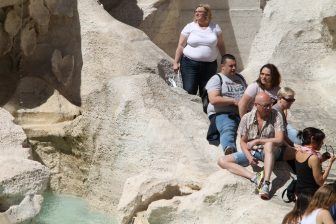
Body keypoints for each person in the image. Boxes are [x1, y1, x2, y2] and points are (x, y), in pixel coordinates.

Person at [218, 92, 296, 200]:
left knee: (268, 145)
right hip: (255, 152)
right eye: (265, 105)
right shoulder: (247, 118)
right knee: (222, 161)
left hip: (273, 151)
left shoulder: (276, 115)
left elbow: (279, 139)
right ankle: (255, 178)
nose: (269, 107)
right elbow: (243, 141)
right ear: (256, 105)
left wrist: (259, 141)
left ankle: (266, 183)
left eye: (270, 104)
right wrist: (249, 158)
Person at [173, 4, 225, 96]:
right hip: (189, 64)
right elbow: (180, 45)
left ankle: (204, 110)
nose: (197, 13)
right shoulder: (190, 26)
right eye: (196, 12)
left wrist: (224, 61)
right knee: (189, 90)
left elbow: (220, 45)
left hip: (209, 65)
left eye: (200, 12)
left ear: (207, 14)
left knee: (206, 92)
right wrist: (176, 62)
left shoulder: (215, 27)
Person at [205, 54, 247, 154]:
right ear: (222, 66)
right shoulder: (216, 79)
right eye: (231, 66)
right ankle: (229, 149)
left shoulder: (240, 78)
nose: (234, 68)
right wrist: (233, 101)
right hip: (223, 113)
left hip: (241, 112)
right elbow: (213, 99)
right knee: (228, 126)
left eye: (235, 65)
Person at [295, 127, 336, 196]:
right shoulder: (313, 158)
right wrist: (330, 163)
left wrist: (322, 159)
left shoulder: (298, 151)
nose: (322, 143)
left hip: (299, 190)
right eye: (321, 141)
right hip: (310, 194)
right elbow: (320, 181)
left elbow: (306, 168)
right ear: (312, 139)